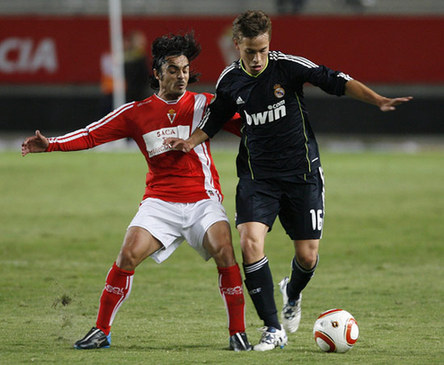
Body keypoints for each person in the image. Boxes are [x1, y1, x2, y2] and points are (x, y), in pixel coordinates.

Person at [165, 10, 412, 351]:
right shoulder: (229, 80)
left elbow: (336, 80)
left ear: (269, 44)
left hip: (302, 175)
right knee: (250, 243)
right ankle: (272, 329)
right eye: (250, 51)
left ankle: (291, 292)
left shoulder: (288, 67)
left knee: (308, 257)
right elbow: (218, 116)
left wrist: (379, 100)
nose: (256, 58)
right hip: (257, 177)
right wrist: (190, 142)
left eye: (262, 50)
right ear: (237, 45)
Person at [21, 33, 252, 352]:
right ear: (157, 73)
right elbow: (92, 135)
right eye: (173, 70)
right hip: (160, 202)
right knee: (127, 255)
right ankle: (101, 330)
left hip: (203, 200)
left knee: (225, 252)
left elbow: (248, 127)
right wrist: (52, 145)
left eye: (185, 70)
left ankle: (237, 332)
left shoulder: (205, 105)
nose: (181, 76)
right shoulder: (135, 112)